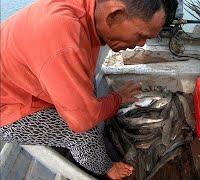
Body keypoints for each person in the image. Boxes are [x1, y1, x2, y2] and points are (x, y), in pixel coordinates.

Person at [0, 0, 167, 179]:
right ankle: (104, 168)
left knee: (90, 98)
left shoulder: (87, 10)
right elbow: (82, 123)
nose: (141, 44)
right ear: (114, 15)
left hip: (25, 81)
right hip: (9, 108)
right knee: (82, 133)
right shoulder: (63, 38)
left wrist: (105, 103)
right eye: (141, 35)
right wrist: (116, 100)